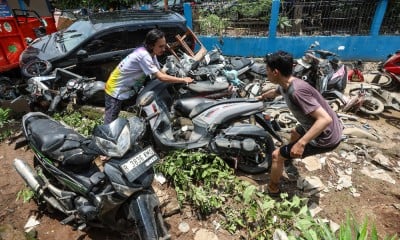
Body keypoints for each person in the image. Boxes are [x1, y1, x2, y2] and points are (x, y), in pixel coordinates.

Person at [257, 50, 343, 196]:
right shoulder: (287, 83)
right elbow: (276, 92)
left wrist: (301, 143)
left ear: (276, 72)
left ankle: (273, 189)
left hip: (326, 137)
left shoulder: (296, 92)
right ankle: (289, 161)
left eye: (267, 70)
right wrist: (262, 97)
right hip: (320, 127)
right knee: (294, 132)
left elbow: (324, 119)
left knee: (276, 156)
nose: (266, 73)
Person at [104, 28, 193, 124]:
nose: (164, 49)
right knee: (110, 124)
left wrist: (175, 74)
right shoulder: (143, 56)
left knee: (136, 115)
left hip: (128, 89)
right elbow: (161, 77)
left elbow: (160, 72)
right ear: (151, 45)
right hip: (116, 90)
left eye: (164, 46)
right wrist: (183, 80)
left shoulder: (152, 54)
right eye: (161, 46)